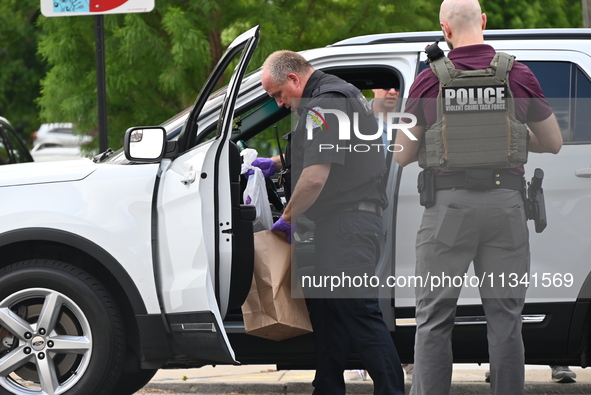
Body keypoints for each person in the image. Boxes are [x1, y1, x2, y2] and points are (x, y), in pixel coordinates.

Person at [394, 1, 563, 395]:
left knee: (434, 319)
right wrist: (511, 138)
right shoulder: (517, 74)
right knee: (505, 318)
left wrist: (436, 143)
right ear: (483, 22)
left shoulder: (428, 80)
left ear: (444, 29)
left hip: (448, 210)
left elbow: (401, 154)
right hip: (506, 207)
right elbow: (553, 142)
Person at [262, 50, 405, 395]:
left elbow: (314, 176)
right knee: (329, 318)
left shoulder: (327, 101)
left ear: (294, 79)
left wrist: (286, 218)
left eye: (278, 94)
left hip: (348, 226)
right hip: (338, 226)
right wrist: (276, 163)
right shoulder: (329, 98)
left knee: (358, 314)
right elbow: (319, 149)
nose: (280, 104)